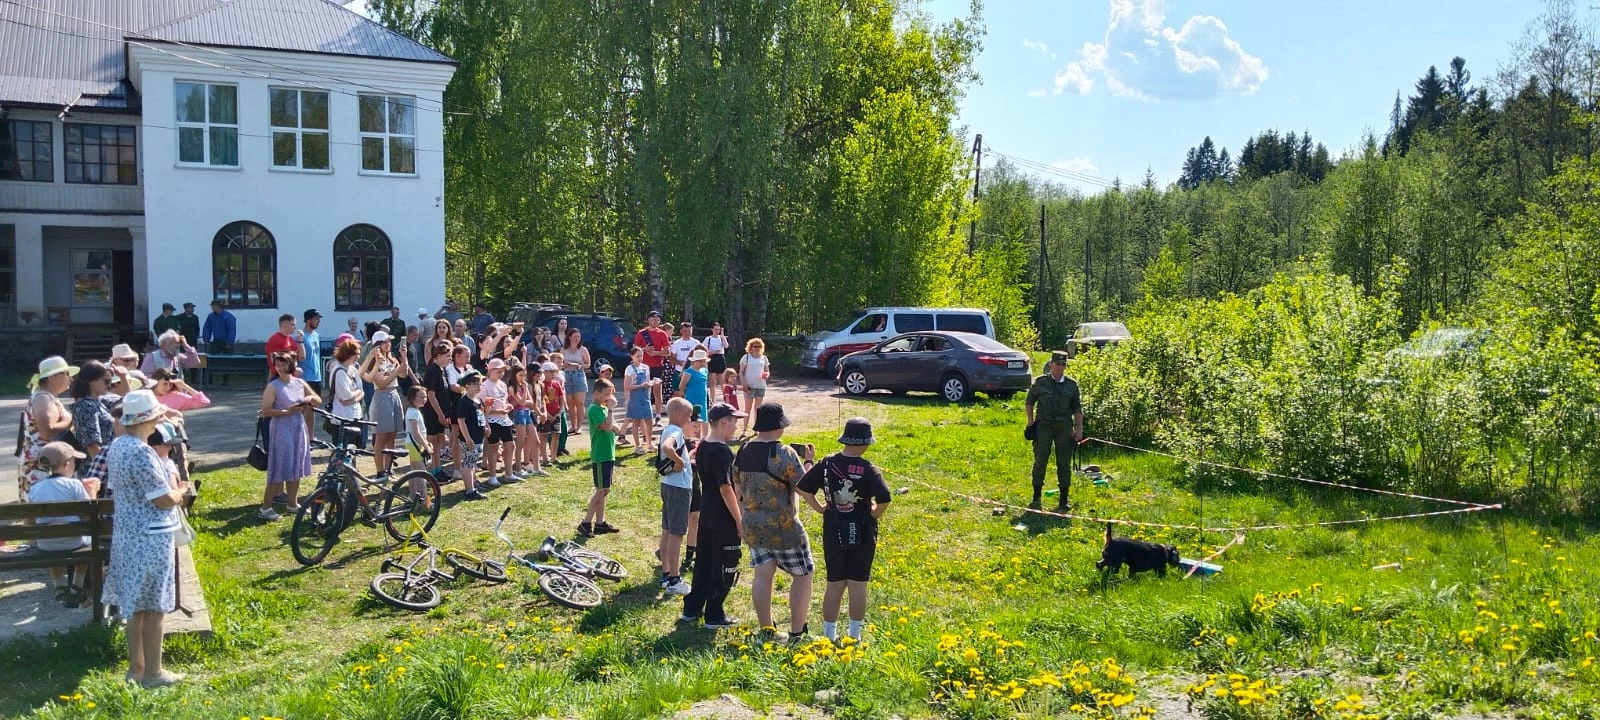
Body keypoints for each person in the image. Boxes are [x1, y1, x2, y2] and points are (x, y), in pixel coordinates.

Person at [101, 389, 187, 688]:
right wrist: (181, 492)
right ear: (151, 418)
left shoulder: (118, 445)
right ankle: (153, 672)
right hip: (150, 536)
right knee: (154, 607)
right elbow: (162, 499)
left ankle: (135, 668)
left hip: (126, 533)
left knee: (135, 605)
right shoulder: (141, 451)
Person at [797, 418, 892, 643]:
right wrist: (873, 515)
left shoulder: (827, 463)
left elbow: (802, 487)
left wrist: (821, 508)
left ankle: (829, 636)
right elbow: (885, 498)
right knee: (857, 584)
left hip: (834, 528)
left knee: (835, 583)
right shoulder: (869, 469)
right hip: (862, 530)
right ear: (865, 443)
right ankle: (854, 636)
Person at [737, 403, 816, 640]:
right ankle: (797, 631)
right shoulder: (785, 453)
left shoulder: (743, 449)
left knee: (762, 576)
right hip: (785, 528)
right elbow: (804, 487)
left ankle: (767, 630)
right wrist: (810, 462)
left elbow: (737, 485)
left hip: (753, 525)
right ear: (779, 427)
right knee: (803, 575)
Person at [680, 403, 745, 628]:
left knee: (704, 562)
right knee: (725, 564)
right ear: (724, 422)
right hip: (722, 518)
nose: (736, 425)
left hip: (707, 513)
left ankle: (692, 608)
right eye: (734, 421)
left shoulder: (704, 446)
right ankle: (714, 615)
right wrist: (739, 520)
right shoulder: (723, 452)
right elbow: (726, 488)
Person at [28, 442, 101, 606]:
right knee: (89, 540)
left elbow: (30, 521)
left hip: (45, 544)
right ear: (67, 464)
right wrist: (93, 493)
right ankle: (77, 584)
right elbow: (90, 516)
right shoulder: (74, 484)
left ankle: (60, 585)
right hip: (73, 542)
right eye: (74, 461)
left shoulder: (35, 488)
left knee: (51, 535)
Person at [259, 351, 318, 520]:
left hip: (298, 427)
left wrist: (307, 399)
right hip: (281, 427)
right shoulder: (273, 386)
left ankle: (292, 503)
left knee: (296, 465)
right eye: (277, 365)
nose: (280, 368)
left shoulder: (299, 382)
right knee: (280, 466)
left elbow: (317, 399)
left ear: (291, 365)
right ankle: (266, 507)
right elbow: (265, 410)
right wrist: (287, 411)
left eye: (283, 364)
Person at [1024, 351, 1083, 511]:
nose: (1060, 367)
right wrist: (1030, 422)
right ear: (1051, 364)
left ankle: (1063, 500)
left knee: (1064, 462)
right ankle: (1036, 497)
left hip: (1064, 427)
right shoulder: (1040, 382)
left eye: (1063, 364)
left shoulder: (1071, 385)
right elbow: (1029, 402)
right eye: (1057, 364)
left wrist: (1079, 429)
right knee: (1040, 459)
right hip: (1043, 426)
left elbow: (1077, 409)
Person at [22, 356, 77, 502]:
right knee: (42, 510)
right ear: (51, 377)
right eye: (66, 373)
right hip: (42, 462)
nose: (70, 378)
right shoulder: (43, 398)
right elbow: (47, 431)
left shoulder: (48, 397)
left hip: (48, 459)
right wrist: (71, 419)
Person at [656, 397, 695, 596]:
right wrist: (679, 462)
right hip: (679, 488)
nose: (690, 420)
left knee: (667, 530)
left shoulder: (666, 429)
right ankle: (674, 579)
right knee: (676, 534)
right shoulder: (676, 431)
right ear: (679, 414)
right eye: (688, 416)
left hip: (668, 485)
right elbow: (667, 448)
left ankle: (665, 574)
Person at [361, 332, 411, 476]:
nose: (388, 344)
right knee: (381, 437)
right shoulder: (374, 362)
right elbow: (381, 383)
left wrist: (404, 357)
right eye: (384, 342)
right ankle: (380, 470)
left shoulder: (392, 359)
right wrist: (397, 371)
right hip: (381, 397)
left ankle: (389, 467)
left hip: (394, 395)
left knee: (392, 435)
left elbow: (403, 374)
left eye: (389, 341)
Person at [579, 378, 621, 537]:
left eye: (611, 394)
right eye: (606, 394)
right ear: (596, 393)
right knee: (602, 490)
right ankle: (586, 522)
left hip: (608, 453)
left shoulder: (603, 408)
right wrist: (610, 411)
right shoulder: (595, 409)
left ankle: (600, 523)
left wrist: (610, 412)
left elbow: (617, 429)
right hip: (600, 455)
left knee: (604, 490)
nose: (609, 397)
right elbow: (608, 427)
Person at [479, 358, 521, 486]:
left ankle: (509, 474)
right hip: (491, 420)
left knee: (510, 445)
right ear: (490, 371)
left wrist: (508, 406)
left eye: (503, 371)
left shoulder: (502, 384)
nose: (501, 373)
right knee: (494, 447)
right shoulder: (484, 386)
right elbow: (482, 407)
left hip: (504, 419)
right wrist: (498, 411)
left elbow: (505, 401)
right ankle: (492, 476)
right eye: (498, 371)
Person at [69, 361, 119, 462]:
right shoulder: (86, 407)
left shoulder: (98, 402)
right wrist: (104, 470)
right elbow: (92, 446)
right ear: (92, 381)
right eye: (106, 381)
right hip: (94, 468)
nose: (109, 385)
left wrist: (124, 376)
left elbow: (127, 401)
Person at [506, 360, 548, 478]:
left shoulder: (522, 386)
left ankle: (536, 467)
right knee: (520, 442)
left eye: (524, 375)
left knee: (536, 440)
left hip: (527, 413)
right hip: (519, 413)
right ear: (514, 375)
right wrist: (524, 393)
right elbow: (522, 401)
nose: (523, 378)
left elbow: (531, 402)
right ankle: (519, 469)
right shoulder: (512, 387)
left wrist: (539, 413)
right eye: (520, 375)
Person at [421, 344, 456, 478]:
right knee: (432, 441)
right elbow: (431, 395)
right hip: (432, 412)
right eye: (447, 356)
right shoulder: (433, 371)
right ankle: (431, 471)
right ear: (438, 356)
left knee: (438, 443)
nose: (449, 358)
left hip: (442, 411)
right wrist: (440, 414)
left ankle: (437, 469)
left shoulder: (443, 370)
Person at [453, 370, 489, 501]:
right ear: (467, 385)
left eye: (480, 383)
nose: (479, 386)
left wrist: (486, 427)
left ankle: (472, 485)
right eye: (475, 383)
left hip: (478, 437)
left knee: (472, 462)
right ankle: (470, 491)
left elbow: (482, 415)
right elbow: (461, 421)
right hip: (470, 439)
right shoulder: (464, 401)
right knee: (468, 464)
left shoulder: (478, 400)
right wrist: (467, 438)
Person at [634, 311, 672, 419]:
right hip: (643, 367)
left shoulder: (662, 334)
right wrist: (644, 349)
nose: (655, 321)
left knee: (657, 391)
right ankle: (643, 415)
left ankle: (658, 415)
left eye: (657, 320)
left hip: (657, 366)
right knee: (643, 391)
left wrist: (656, 353)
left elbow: (667, 352)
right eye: (653, 319)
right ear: (649, 320)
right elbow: (634, 350)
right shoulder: (641, 333)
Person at [328, 338, 365, 444]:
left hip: (355, 415)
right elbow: (346, 397)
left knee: (354, 450)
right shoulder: (339, 371)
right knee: (342, 451)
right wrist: (356, 394)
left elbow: (361, 391)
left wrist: (355, 396)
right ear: (347, 354)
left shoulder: (353, 369)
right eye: (356, 354)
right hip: (342, 418)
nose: (358, 357)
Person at [624, 347, 657, 452]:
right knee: (637, 421)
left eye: (641, 355)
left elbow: (648, 382)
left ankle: (649, 443)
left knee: (649, 419)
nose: (640, 358)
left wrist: (652, 383)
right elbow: (627, 386)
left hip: (645, 397)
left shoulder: (646, 367)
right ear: (632, 357)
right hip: (636, 397)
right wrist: (640, 386)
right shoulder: (629, 369)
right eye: (637, 356)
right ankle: (637, 446)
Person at [738, 339, 770, 436]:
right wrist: (743, 384)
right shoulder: (746, 357)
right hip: (749, 386)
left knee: (758, 409)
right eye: (755, 346)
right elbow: (741, 372)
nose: (756, 348)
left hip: (760, 386)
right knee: (747, 409)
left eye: (759, 346)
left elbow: (767, 370)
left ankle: (757, 428)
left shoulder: (764, 358)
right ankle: (744, 430)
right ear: (750, 347)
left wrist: (767, 375)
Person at [561, 328, 591, 434]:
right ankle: (573, 425)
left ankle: (579, 426)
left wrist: (578, 365)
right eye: (574, 336)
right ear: (569, 337)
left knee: (579, 402)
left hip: (579, 375)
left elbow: (588, 364)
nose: (577, 339)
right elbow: (560, 363)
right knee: (570, 403)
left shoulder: (583, 349)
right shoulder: (563, 349)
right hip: (567, 375)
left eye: (578, 337)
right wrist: (565, 365)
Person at [677, 350, 712, 439]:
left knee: (702, 420)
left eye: (704, 361)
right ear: (695, 361)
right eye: (701, 360)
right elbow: (682, 386)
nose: (703, 363)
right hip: (691, 400)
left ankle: (701, 440)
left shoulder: (704, 370)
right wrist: (686, 397)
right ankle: (690, 439)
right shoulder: (689, 371)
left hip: (703, 400)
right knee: (692, 421)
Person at [669, 322, 705, 403]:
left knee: (693, 392)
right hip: (679, 372)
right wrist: (680, 363)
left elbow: (703, 357)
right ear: (681, 331)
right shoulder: (677, 343)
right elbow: (671, 358)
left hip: (693, 372)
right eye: (685, 331)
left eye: (689, 331)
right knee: (677, 393)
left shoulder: (696, 343)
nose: (687, 333)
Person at [538, 361, 565, 462]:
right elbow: (542, 400)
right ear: (544, 372)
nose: (553, 374)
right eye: (551, 372)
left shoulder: (556, 383)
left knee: (556, 434)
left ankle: (553, 457)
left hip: (556, 413)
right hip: (546, 414)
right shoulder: (541, 385)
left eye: (555, 372)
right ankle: (545, 458)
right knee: (544, 435)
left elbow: (562, 397)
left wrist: (560, 411)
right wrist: (547, 414)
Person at [264, 314, 302, 379]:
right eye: (293, 324)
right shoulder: (275, 339)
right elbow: (275, 361)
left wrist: (300, 340)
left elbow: (300, 357)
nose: (295, 327)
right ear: (285, 325)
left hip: (290, 377)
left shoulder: (291, 339)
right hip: (279, 377)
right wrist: (293, 370)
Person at [403, 386, 432, 471]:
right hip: (414, 444)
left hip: (416, 443)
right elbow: (416, 432)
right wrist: (426, 446)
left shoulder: (416, 411)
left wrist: (426, 442)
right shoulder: (413, 412)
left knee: (414, 470)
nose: (424, 399)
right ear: (412, 398)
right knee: (421, 471)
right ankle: (421, 485)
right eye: (421, 397)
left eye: (425, 397)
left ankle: (414, 485)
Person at [299, 309, 325, 398]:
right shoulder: (301, 337)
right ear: (308, 320)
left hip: (317, 376)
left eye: (319, 319)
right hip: (305, 377)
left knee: (315, 406)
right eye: (316, 319)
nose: (319, 321)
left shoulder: (316, 335)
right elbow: (300, 357)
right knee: (306, 407)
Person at [705, 322, 731, 397]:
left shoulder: (721, 338)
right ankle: (713, 400)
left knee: (722, 381)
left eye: (718, 329)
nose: (717, 331)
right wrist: (714, 352)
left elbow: (726, 346)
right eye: (715, 329)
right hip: (711, 359)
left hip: (720, 359)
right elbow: (705, 352)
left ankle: (726, 399)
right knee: (712, 381)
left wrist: (722, 335)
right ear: (712, 329)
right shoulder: (708, 339)